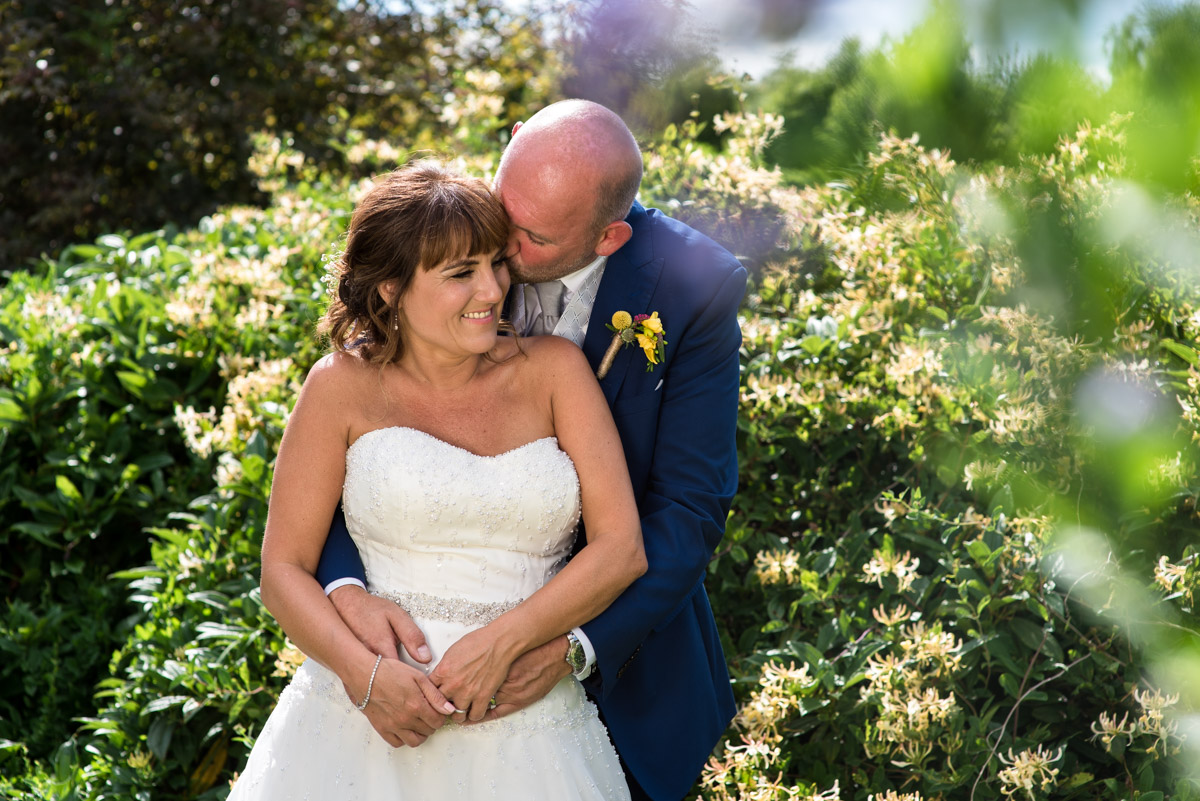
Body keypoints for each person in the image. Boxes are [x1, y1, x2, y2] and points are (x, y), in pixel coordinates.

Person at [317, 100, 747, 800]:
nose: (496, 255)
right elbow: (358, 442)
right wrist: (345, 588)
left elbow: (688, 509)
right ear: (511, 142)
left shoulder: (694, 288)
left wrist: (570, 647)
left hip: (619, 664)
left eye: (531, 238)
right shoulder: (447, 231)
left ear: (608, 238)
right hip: (399, 674)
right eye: (500, 206)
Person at [228, 161, 647, 800]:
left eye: (495, 263)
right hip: (361, 726)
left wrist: (507, 643)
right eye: (460, 274)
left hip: (527, 724)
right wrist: (365, 677)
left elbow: (621, 549)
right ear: (390, 289)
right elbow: (282, 570)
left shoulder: (557, 371)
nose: (492, 291)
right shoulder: (339, 387)